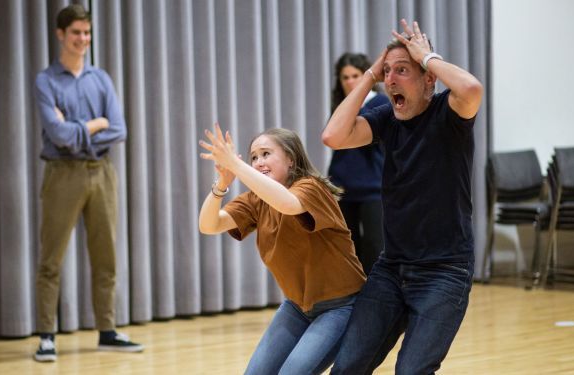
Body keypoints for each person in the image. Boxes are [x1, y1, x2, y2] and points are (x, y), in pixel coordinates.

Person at [322, 19, 483, 374]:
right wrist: (369, 76)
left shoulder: (449, 113)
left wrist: (426, 57)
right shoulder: (386, 119)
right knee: (347, 366)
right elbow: (333, 137)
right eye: (388, 72)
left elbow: (471, 88)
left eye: (403, 71)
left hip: (445, 271)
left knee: (411, 371)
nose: (391, 79)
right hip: (391, 269)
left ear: (428, 78)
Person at [198, 124, 366, 374]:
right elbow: (209, 225)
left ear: (290, 158)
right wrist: (222, 184)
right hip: (297, 307)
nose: (258, 162)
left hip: (341, 306)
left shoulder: (312, 187)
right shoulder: (256, 199)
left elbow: (288, 204)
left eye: (266, 154)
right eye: (253, 157)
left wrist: (236, 165)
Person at [32, 4, 142, 362]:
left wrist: (78, 129)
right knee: (51, 259)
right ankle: (47, 336)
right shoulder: (46, 80)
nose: (83, 39)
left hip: (102, 173)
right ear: (60, 34)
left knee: (106, 256)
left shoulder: (101, 78)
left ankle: (107, 331)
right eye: (76, 32)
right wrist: (93, 125)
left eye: (87, 33)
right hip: (62, 173)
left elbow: (120, 129)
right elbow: (58, 135)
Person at [328, 52, 391, 274]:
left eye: (355, 76)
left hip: (373, 188)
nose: (350, 81)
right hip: (344, 188)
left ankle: (376, 296)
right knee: (348, 246)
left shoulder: (380, 102)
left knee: (375, 245)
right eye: (345, 77)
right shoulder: (341, 106)